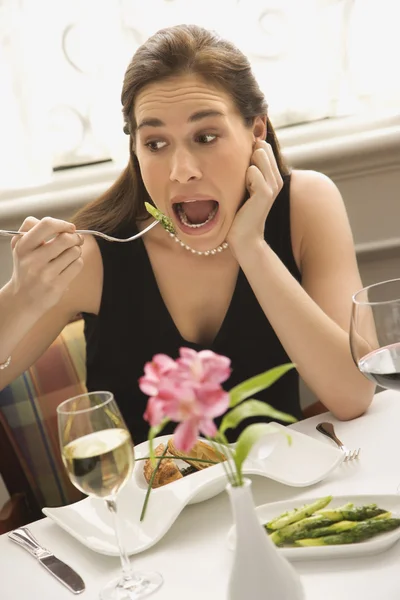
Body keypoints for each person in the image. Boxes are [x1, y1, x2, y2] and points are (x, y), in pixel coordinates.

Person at [0, 24, 374, 443]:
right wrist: (21, 296)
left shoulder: (307, 206)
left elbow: (354, 394)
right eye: (156, 144)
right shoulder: (94, 254)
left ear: (256, 131)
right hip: (151, 505)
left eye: (206, 136)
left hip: (290, 501)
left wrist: (250, 245)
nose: (183, 171)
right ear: (136, 151)